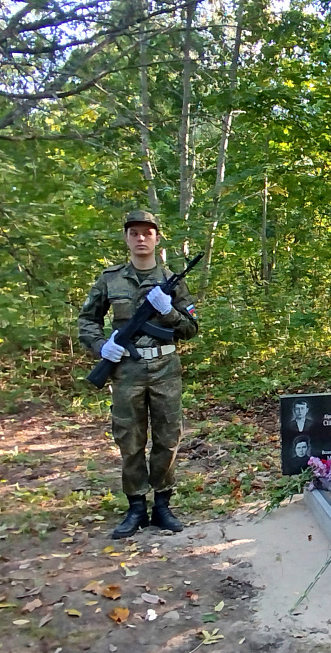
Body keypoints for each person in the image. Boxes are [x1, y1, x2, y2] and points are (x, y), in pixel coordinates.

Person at [78, 210, 199, 539]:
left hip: (165, 369)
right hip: (126, 369)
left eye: (147, 232)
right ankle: (135, 506)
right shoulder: (110, 279)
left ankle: (162, 504)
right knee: (129, 439)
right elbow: (86, 320)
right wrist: (102, 346)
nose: (141, 238)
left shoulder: (173, 280)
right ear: (127, 238)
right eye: (134, 233)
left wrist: (168, 311)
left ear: (157, 238)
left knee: (167, 438)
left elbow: (191, 328)